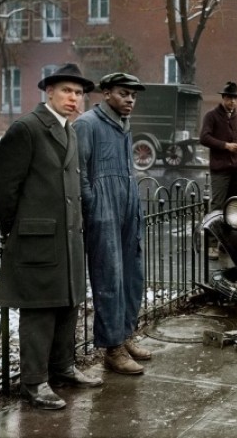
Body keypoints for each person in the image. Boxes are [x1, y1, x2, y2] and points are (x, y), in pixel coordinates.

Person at [0, 63, 102, 410]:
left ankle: (62, 367)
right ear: (48, 92)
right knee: (39, 311)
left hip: (65, 238)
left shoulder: (70, 130)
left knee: (67, 303)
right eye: (67, 90)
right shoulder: (27, 129)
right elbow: (0, 188)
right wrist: (15, 229)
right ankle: (34, 382)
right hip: (37, 238)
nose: (74, 98)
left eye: (79, 93)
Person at [73, 72, 151, 375]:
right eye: (123, 93)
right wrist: (93, 207)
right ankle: (112, 348)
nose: (130, 99)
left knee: (132, 275)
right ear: (105, 93)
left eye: (133, 94)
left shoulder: (123, 124)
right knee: (109, 278)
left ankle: (125, 334)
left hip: (128, 206)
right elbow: (80, 175)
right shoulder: (87, 125)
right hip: (103, 211)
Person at [200, 81, 237, 210]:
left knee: (234, 204)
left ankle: (232, 229)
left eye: (235, 98)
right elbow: (204, 138)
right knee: (218, 205)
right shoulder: (211, 116)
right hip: (220, 170)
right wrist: (225, 145)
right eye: (229, 98)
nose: (232, 101)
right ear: (223, 98)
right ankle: (214, 229)